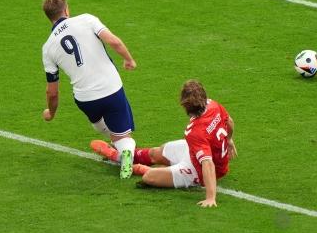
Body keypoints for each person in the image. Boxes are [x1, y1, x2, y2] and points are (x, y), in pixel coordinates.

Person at [90, 80, 236, 208]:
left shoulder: (195, 132)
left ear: (185, 105)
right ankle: (123, 154)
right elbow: (229, 121)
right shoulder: (213, 105)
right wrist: (229, 140)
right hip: (196, 149)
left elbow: (207, 164)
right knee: (156, 152)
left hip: (201, 170)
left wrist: (210, 198)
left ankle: (135, 165)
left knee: (149, 177)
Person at [41, 0, 137, 179]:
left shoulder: (47, 48)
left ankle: (117, 148)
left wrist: (51, 113)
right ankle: (125, 151)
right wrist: (128, 59)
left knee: (101, 126)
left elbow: (52, 92)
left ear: (48, 17)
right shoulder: (86, 19)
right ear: (66, 10)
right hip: (111, 88)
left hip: (85, 99)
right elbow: (114, 41)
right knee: (123, 135)